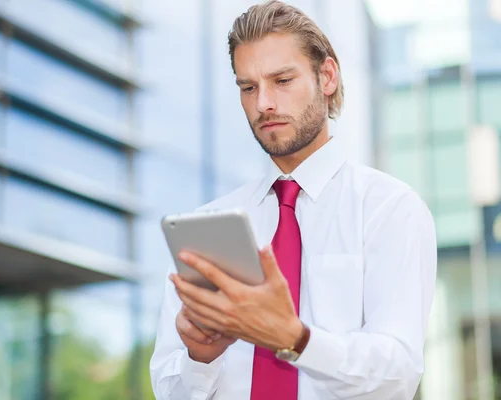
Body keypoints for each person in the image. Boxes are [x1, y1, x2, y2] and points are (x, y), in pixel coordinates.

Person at [149, 1, 437, 399]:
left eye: (282, 80)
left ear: (328, 76)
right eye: (248, 87)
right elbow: (170, 391)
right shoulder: (206, 227)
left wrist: (296, 339)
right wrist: (200, 358)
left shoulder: (389, 209)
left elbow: (398, 373)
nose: (264, 102)